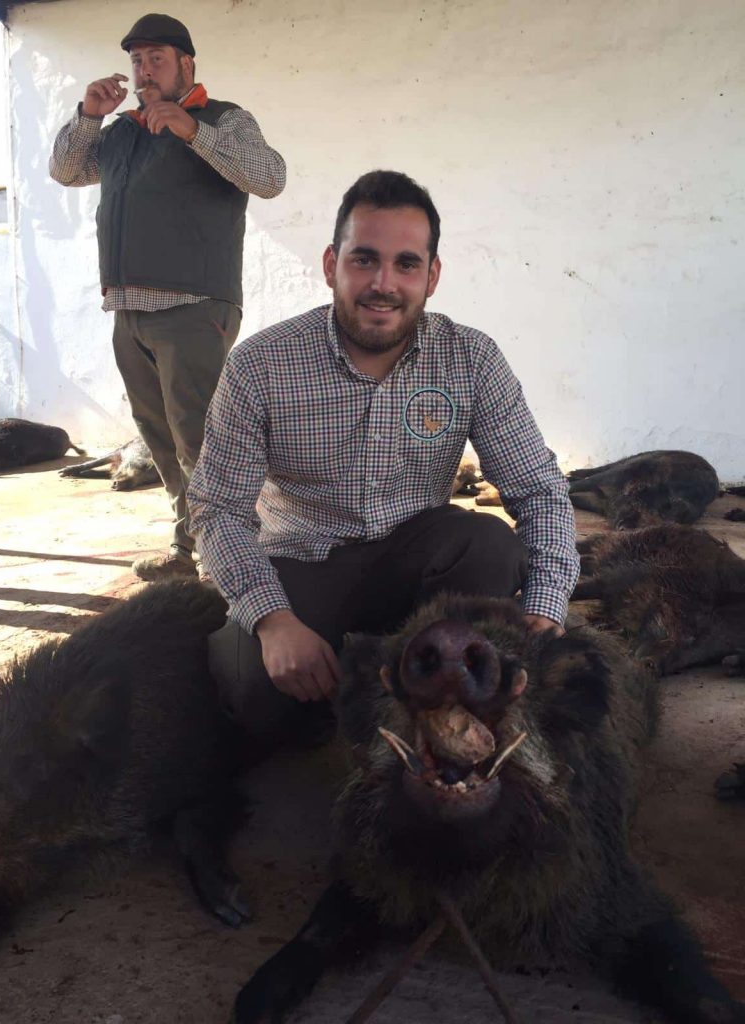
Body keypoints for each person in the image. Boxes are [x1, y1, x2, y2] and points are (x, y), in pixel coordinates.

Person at [188, 170, 579, 739]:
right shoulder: (261, 365)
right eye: (364, 260)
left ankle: (421, 675)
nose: (383, 284)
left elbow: (540, 491)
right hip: (303, 565)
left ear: (432, 275)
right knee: (250, 702)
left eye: (406, 264)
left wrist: (547, 602)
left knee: (488, 544)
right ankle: (371, 676)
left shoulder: (470, 359)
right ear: (331, 265)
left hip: (418, 561)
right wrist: (273, 623)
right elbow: (217, 510)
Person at [49, 13, 286, 581]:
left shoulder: (223, 118)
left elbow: (270, 176)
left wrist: (191, 129)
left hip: (194, 305)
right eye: (136, 60)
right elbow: (65, 171)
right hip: (128, 310)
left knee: (202, 438)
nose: (144, 70)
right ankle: (190, 547)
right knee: (160, 439)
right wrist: (88, 116)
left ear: (187, 64)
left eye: (156, 58)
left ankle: (230, 560)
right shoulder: (122, 131)